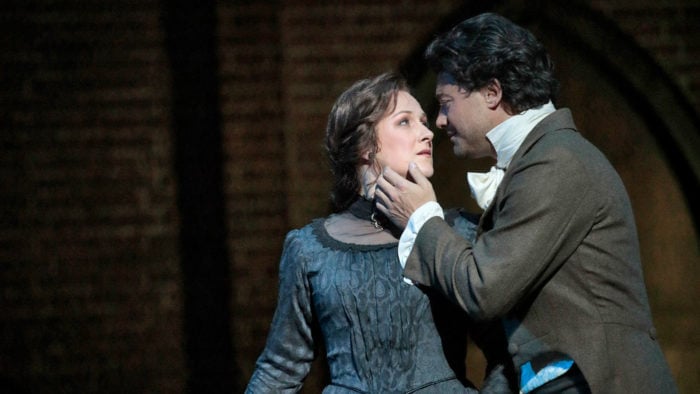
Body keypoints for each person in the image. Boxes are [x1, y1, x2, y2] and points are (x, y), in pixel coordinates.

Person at [375, 13, 678, 394]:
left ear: (492, 93)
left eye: (446, 103)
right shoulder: (539, 159)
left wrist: (423, 216)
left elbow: (484, 290)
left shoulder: (557, 159)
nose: (439, 121)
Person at [245, 73, 510, 393]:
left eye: (424, 121)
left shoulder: (460, 232)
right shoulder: (310, 249)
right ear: (364, 146)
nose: (427, 133)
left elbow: (504, 352)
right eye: (404, 122)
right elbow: (280, 368)